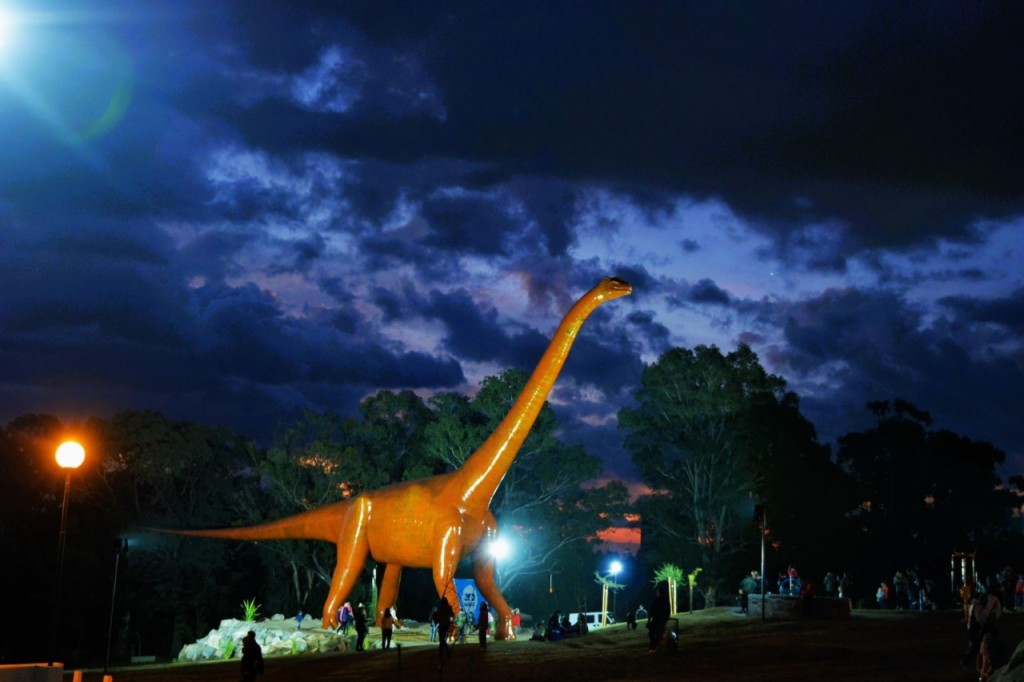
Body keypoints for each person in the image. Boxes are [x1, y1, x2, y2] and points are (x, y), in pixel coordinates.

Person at [962, 590, 1002, 671]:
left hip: (971, 628)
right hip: (975, 630)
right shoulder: (978, 605)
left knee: (975, 647)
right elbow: (980, 619)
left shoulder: (972, 605)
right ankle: (966, 662)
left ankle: (976, 665)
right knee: (976, 648)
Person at [647, 583, 670, 653]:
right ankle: (657, 646)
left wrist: (649, 620)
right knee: (659, 634)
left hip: (656, 621)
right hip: (662, 621)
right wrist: (665, 619)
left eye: (657, 592)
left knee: (652, 633)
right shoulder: (666, 601)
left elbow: (651, 610)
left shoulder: (656, 600)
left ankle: (653, 647)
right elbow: (668, 611)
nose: (657, 593)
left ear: (659, 593)